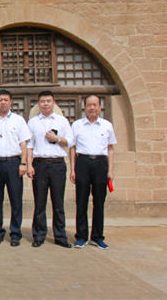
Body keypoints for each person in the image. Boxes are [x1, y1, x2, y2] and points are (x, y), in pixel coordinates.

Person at [27, 90, 74, 248]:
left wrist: (57, 138)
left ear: (53, 103)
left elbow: (70, 141)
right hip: (39, 164)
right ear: (38, 104)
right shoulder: (33, 122)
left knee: (58, 203)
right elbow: (29, 145)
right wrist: (29, 165)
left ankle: (60, 236)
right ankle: (39, 235)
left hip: (57, 165)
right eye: (42, 101)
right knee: (39, 202)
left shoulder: (62, 121)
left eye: (48, 101)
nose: (45, 104)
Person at [70, 94, 117, 250]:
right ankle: (81, 236)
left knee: (99, 202)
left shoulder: (107, 125)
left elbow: (110, 149)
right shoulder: (77, 125)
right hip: (82, 162)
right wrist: (73, 169)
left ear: (100, 107)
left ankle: (97, 237)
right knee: (81, 201)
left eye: (95, 105)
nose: (92, 108)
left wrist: (110, 170)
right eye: (89, 105)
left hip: (100, 163)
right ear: (84, 107)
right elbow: (72, 148)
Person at [0, 90, 31, 247]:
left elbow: (23, 143)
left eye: (5, 100)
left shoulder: (18, 120)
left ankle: (15, 233)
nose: (3, 102)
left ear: (10, 101)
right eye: (0, 100)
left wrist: (23, 163)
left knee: (16, 200)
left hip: (14, 163)